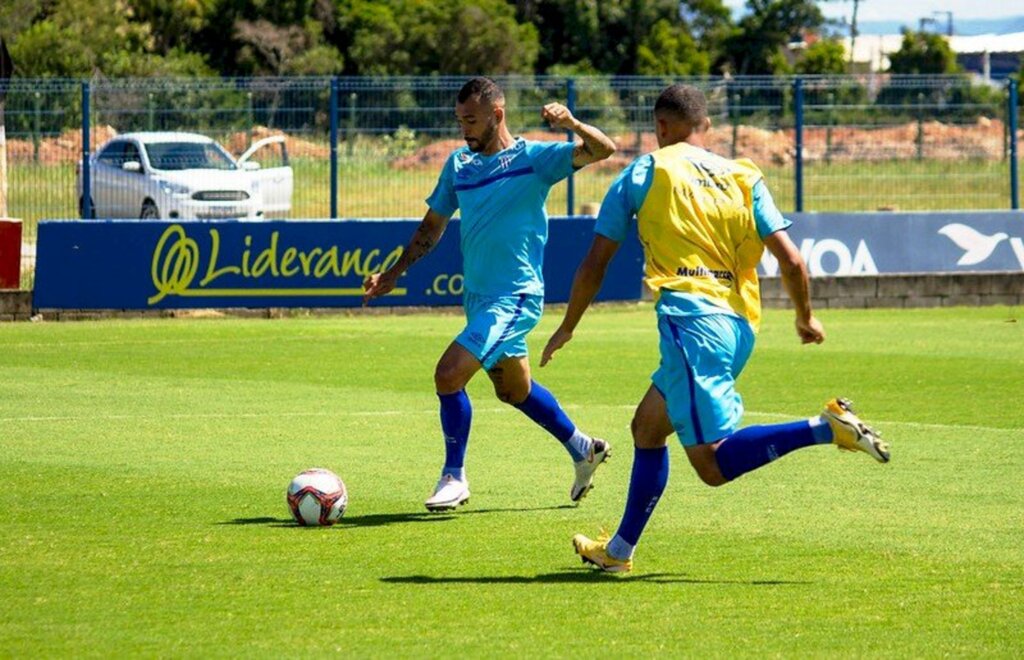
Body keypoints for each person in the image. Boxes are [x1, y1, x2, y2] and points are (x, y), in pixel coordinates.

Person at [541, 84, 891, 573]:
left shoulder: (645, 170)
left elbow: (595, 262)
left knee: (711, 465)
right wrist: (804, 316)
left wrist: (568, 325)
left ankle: (823, 428)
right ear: (705, 127)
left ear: (661, 127)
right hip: (738, 324)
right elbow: (791, 260)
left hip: (691, 323)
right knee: (647, 427)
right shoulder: (744, 175)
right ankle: (618, 552)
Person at [363, 77, 618, 512]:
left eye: (472, 120)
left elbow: (603, 149)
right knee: (514, 391)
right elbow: (431, 228)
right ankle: (582, 448)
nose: (464, 130)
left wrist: (572, 122)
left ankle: (454, 476)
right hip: (479, 299)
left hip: (516, 297)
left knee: (448, 374)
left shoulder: (534, 159)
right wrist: (394, 273)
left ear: (497, 116)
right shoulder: (458, 166)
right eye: (460, 120)